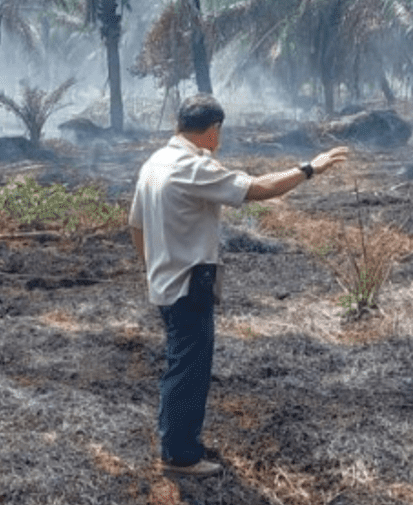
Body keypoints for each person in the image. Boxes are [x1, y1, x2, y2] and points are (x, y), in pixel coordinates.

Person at [128, 95, 349, 477]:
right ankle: (180, 456)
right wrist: (309, 169)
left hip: (165, 281)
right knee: (189, 369)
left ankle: (176, 440)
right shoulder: (189, 167)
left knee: (180, 363)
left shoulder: (155, 163)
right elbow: (258, 189)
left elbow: (135, 225)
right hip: (187, 284)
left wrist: (150, 267)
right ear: (213, 130)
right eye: (220, 131)